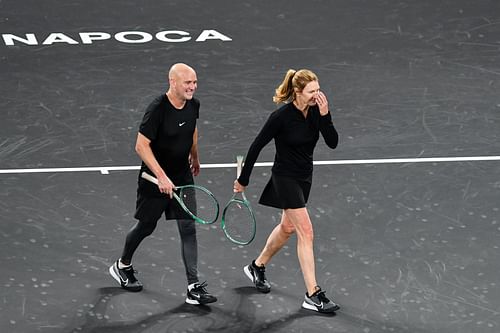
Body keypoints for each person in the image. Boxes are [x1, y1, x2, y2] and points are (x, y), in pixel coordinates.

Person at [109, 63, 217, 305]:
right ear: (173, 83)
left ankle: (193, 287)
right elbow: (141, 145)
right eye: (188, 82)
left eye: (195, 82)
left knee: (188, 228)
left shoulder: (193, 104)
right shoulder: (157, 109)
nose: (193, 86)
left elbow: (192, 129)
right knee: (146, 226)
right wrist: (160, 175)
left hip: (181, 176)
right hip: (154, 179)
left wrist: (195, 155)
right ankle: (122, 265)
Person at [233, 69, 340, 313]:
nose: (317, 95)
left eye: (318, 89)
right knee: (306, 231)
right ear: (298, 92)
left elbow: (333, 142)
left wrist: (325, 116)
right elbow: (256, 146)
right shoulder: (280, 117)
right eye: (312, 91)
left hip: (304, 178)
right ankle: (313, 293)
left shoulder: (316, 111)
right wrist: (243, 179)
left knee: (288, 228)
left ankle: (256, 267)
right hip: (284, 177)